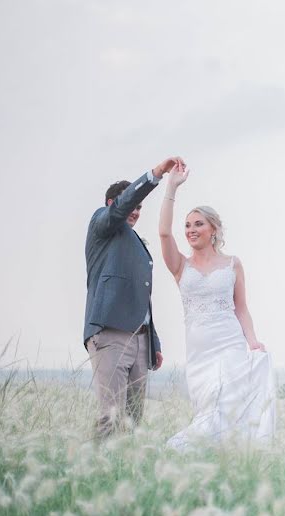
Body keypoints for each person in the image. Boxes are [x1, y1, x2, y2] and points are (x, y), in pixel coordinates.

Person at [157, 162, 275, 448]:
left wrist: (253, 341)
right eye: (187, 225)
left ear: (214, 230)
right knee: (208, 409)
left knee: (228, 406)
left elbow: (241, 308)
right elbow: (163, 233)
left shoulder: (233, 264)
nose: (191, 230)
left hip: (230, 345)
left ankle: (230, 457)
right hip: (199, 354)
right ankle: (192, 452)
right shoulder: (180, 266)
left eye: (198, 224)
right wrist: (171, 186)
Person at [84, 157, 182, 440]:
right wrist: (156, 175)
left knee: (133, 422)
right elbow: (121, 207)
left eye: (139, 207)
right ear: (110, 204)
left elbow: (142, 297)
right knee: (110, 418)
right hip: (111, 334)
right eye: (130, 204)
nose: (135, 210)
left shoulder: (138, 245)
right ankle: (95, 475)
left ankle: (124, 476)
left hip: (140, 341)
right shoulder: (101, 227)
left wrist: (154, 341)